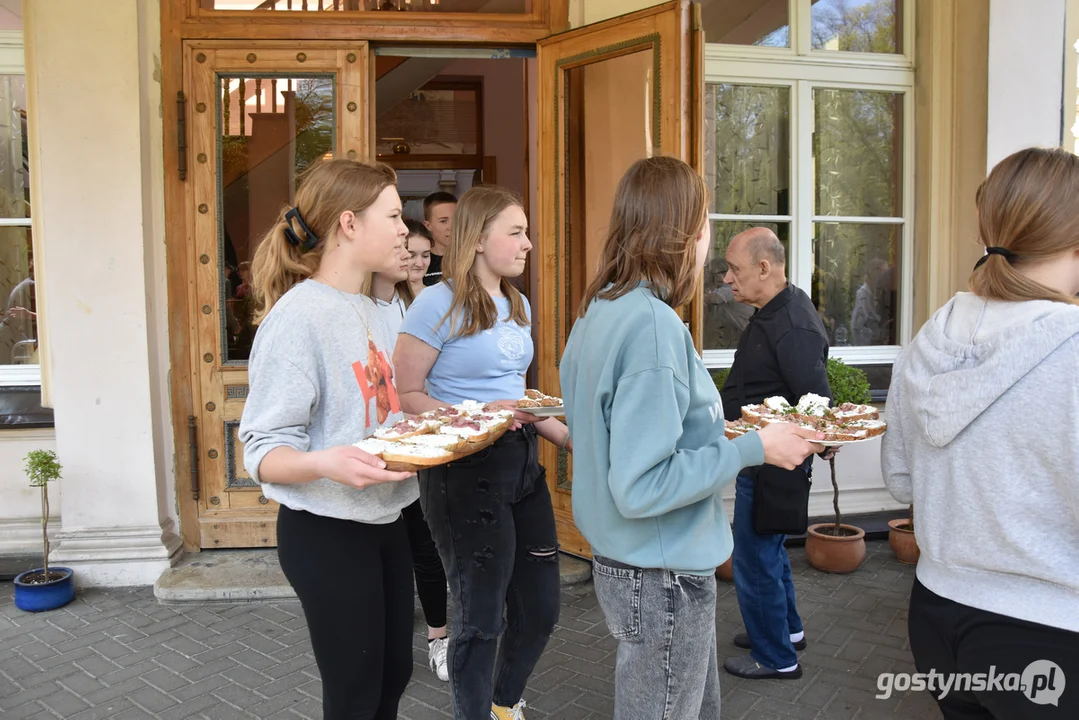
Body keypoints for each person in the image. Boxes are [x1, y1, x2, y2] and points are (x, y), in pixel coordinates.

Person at [559, 157, 824, 718]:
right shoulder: (650, 324)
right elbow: (642, 485)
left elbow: (609, 436)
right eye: (705, 224)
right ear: (686, 231)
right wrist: (756, 448)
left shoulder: (600, 308)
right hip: (661, 575)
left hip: (633, 562)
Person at [882, 146, 1079, 719]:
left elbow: (898, 477)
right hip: (1050, 632)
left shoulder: (931, 336)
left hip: (938, 616)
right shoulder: (1070, 349)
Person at [238, 158, 417, 720]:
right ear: (349, 224)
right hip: (327, 533)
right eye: (393, 215)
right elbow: (262, 453)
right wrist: (327, 462)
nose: (405, 230)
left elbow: (386, 413)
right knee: (355, 693)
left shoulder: (375, 309)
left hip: (389, 521)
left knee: (393, 677)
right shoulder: (298, 319)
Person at [394, 185, 569, 720]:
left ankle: (502, 701)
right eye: (515, 233)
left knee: (540, 609)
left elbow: (518, 396)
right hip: (463, 475)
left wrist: (570, 438)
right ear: (477, 239)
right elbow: (407, 394)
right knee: (480, 618)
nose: (529, 244)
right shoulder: (435, 302)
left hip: (520, 463)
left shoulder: (517, 302)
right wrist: (475, 418)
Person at [719, 226, 833, 680]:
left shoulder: (794, 324)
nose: (727, 278)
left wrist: (810, 448)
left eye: (734, 268)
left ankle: (775, 657)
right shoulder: (773, 309)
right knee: (769, 550)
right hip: (760, 457)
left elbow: (816, 403)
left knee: (754, 557)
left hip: (776, 464)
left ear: (765, 268)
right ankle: (786, 631)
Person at [367, 225, 450, 683]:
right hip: (376, 451)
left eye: (420, 252)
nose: (411, 258)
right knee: (387, 556)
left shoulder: (419, 302)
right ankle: (382, 644)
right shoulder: (361, 307)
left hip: (416, 442)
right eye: (403, 248)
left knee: (425, 548)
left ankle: (438, 638)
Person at [422, 190, 456, 286]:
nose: (452, 226)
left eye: (456, 219)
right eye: (443, 221)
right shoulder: (421, 260)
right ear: (428, 225)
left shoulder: (468, 258)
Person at [405, 218, 433, 300]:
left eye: (425, 255)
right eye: (411, 256)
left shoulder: (438, 297)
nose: (419, 264)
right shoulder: (387, 300)